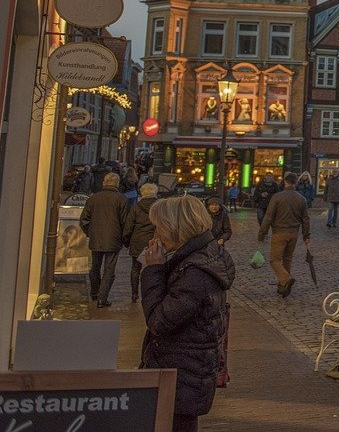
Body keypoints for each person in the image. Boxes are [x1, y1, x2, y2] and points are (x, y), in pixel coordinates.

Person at [139, 195, 235, 432]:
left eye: (159, 226)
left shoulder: (196, 272)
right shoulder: (198, 259)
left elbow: (159, 321)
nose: (156, 233)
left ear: (175, 228)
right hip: (184, 370)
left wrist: (153, 270)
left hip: (184, 374)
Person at [80, 172, 131, 307]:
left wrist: (90, 232)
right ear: (117, 184)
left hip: (96, 238)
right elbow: (125, 222)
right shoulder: (121, 199)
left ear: (104, 182)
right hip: (113, 239)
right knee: (109, 270)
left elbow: (84, 220)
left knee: (95, 267)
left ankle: (95, 292)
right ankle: (102, 298)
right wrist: (124, 239)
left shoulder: (93, 199)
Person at [258, 172, 311, 297]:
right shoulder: (301, 198)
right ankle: (283, 286)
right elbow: (306, 219)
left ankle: (286, 278)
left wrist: (261, 234)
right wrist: (306, 235)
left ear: (285, 182)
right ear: (295, 183)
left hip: (279, 232)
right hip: (294, 233)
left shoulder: (277, 197)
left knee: (274, 259)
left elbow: (268, 217)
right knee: (287, 259)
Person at [123, 182, 159, 303]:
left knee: (135, 268)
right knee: (154, 269)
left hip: (137, 240)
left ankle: (134, 294)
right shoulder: (159, 208)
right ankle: (151, 293)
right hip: (154, 241)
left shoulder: (136, 208)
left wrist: (127, 242)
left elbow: (128, 227)